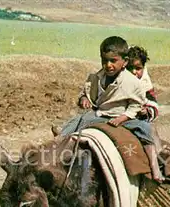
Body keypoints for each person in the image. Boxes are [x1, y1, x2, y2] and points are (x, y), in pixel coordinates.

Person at [58, 36, 164, 182]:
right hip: (101, 114)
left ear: (124, 62)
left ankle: (154, 166)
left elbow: (136, 105)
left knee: (144, 128)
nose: (108, 65)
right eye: (104, 60)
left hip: (123, 116)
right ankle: (60, 139)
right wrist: (84, 100)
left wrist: (123, 118)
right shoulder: (96, 77)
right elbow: (88, 93)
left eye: (113, 61)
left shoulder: (132, 82)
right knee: (80, 120)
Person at [126, 45, 159, 122]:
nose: (134, 72)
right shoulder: (117, 82)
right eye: (129, 68)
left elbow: (153, 104)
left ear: (143, 68)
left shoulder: (145, 85)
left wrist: (146, 111)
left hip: (137, 120)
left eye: (138, 68)